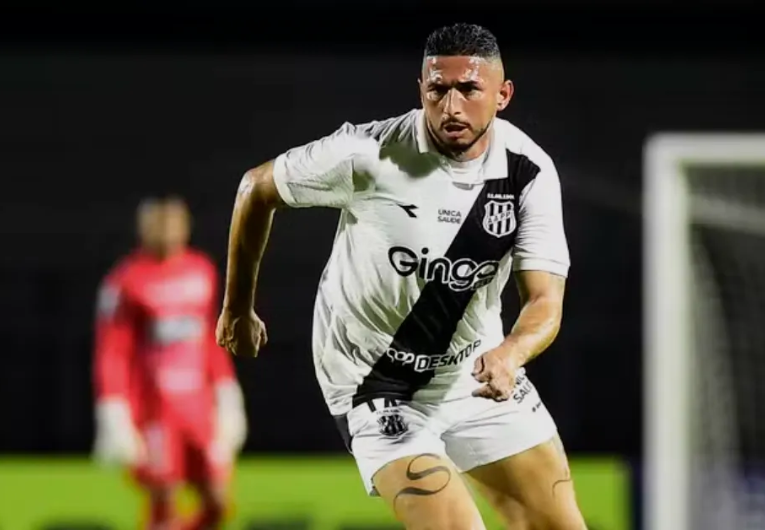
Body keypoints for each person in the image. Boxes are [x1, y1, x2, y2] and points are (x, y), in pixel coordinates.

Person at [217, 22, 586, 530]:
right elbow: (256, 188)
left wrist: (510, 354)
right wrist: (237, 307)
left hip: (474, 374)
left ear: (502, 95)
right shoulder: (368, 153)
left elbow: (545, 302)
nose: (451, 107)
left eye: (468, 90)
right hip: (376, 382)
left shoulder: (528, 172)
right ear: (420, 91)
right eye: (438, 90)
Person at [93, 196, 248, 530]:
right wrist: (114, 410)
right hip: (154, 411)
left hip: (198, 408)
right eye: (158, 224)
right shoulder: (126, 281)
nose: (166, 231)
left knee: (218, 502)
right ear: (143, 229)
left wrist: (227, 392)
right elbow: (113, 351)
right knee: (163, 499)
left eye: (173, 223)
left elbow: (212, 340)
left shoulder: (201, 271)